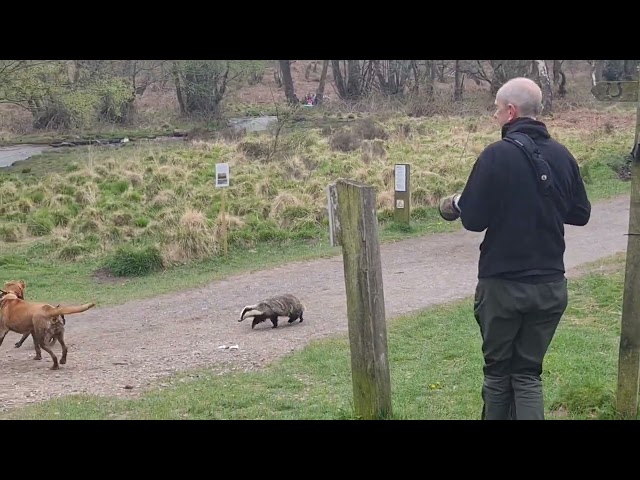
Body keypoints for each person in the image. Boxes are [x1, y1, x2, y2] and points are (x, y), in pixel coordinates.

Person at [438, 77, 591, 420]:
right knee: (526, 374)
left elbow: (473, 220)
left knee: (497, 374)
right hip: (551, 285)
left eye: (495, 109)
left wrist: (459, 202)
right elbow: (581, 214)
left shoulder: (496, 156)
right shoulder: (563, 156)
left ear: (510, 111)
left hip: (503, 285)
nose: (494, 116)